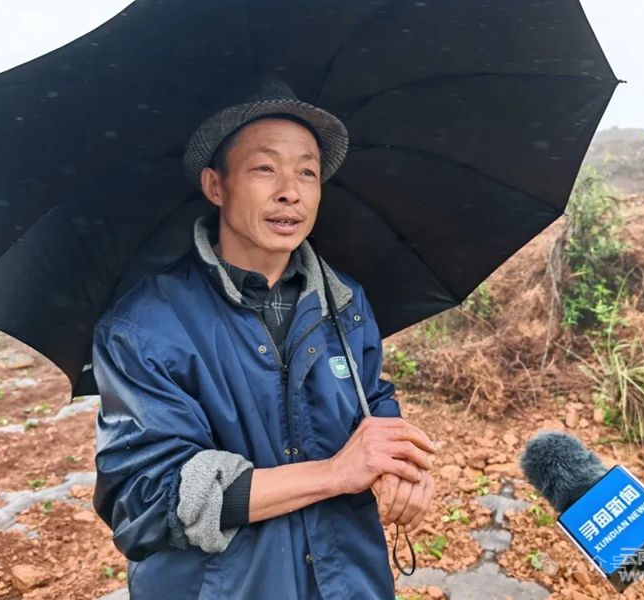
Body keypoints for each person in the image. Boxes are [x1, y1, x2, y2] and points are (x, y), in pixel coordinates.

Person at [92, 80, 436, 599]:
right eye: (264, 168)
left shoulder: (345, 301)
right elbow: (146, 498)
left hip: (348, 582)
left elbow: (373, 400)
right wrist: (335, 472)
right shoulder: (143, 328)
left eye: (307, 172)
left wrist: (400, 464)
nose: (290, 192)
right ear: (215, 185)